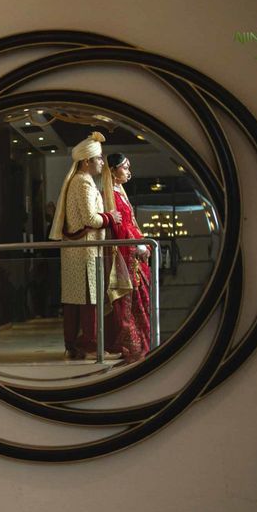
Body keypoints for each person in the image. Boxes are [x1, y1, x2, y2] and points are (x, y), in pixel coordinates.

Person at [49, 132, 121, 360]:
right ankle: (87, 346)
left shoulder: (81, 181)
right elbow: (91, 219)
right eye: (98, 158)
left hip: (80, 251)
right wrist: (110, 217)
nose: (102, 162)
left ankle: (77, 346)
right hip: (85, 253)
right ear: (86, 161)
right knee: (88, 300)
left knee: (76, 300)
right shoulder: (83, 183)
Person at [102, 153, 152, 363]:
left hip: (132, 249)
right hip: (123, 253)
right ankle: (132, 346)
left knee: (141, 299)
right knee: (127, 302)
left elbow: (130, 221)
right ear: (112, 170)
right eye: (124, 167)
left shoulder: (120, 192)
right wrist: (136, 243)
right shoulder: (109, 194)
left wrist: (142, 242)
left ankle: (142, 343)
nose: (128, 171)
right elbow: (119, 226)